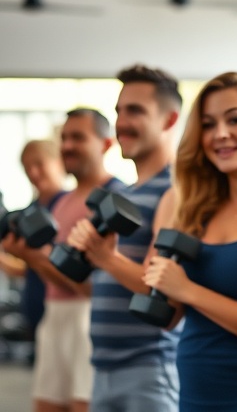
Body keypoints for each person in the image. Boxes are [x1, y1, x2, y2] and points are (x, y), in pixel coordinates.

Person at [142, 71, 237, 411]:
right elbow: (168, 316)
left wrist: (187, 289)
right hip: (193, 390)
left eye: (236, 119)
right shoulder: (197, 205)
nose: (220, 135)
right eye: (208, 125)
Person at [66, 65, 182, 411]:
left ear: (169, 120)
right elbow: (98, 286)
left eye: (135, 110)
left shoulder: (177, 191)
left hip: (148, 368)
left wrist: (105, 257)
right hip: (102, 367)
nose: (121, 122)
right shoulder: (125, 194)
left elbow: (162, 291)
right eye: (119, 110)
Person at [4, 109, 127, 412]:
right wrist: (32, 259)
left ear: (105, 143)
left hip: (89, 318)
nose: (68, 145)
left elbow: (90, 285)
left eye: (78, 137)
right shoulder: (62, 201)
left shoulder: (117, 198)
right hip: (53, 313)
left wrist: (36, 258)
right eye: (64, 138)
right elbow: (55, 271)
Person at [0, 140, 68, 341]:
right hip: (38, 316)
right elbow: (29, 270)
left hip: (66, 311)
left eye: (39, 164)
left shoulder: (69, 205)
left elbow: (70, 275)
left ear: (58, 162)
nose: (33, 173)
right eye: (27, 167)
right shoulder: (31, 211)